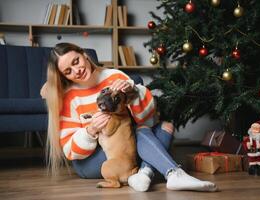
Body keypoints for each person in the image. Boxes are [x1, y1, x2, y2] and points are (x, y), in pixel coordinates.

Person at [42, 42, 217, 192]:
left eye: (76, 61)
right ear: (63, 76)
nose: (77, 70)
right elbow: (70, 152)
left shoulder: (114, 76)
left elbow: (147, 119)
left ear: (84, 55)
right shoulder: (69, 97)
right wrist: (90, 130)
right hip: (93, 163)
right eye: (68, 71)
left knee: (163, 126)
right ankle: (149, 170)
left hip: (127, 151)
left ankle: (165, 175)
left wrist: (132, 91)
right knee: (154, 134)